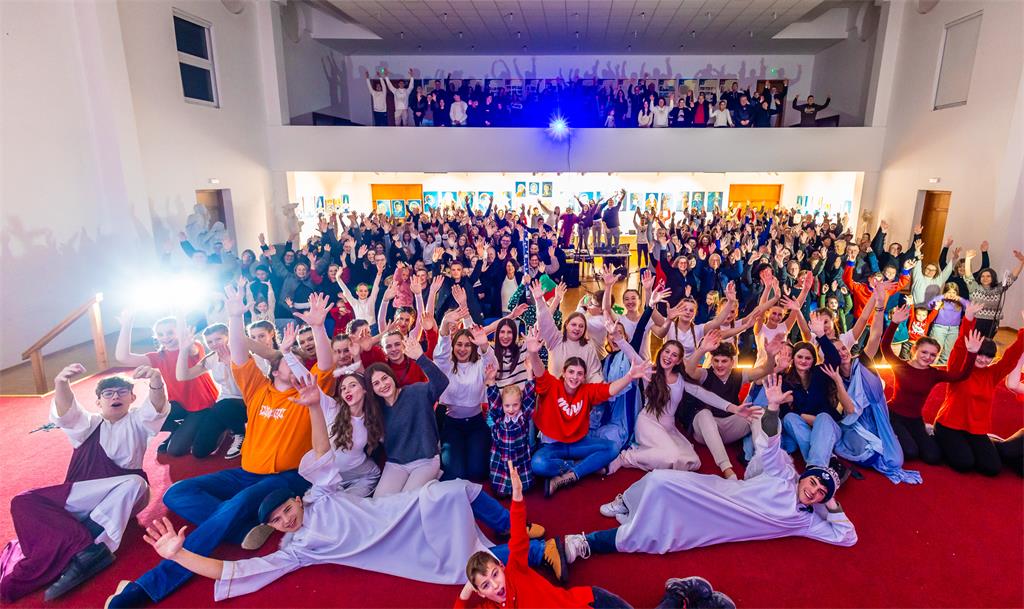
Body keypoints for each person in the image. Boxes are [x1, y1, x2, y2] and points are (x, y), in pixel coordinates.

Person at [104, 289, 334, 608]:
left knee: (232, 505)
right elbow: (238, 354)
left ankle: (144, 589)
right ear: (274, 370)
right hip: (247, 473)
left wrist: (319, 328)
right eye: (288, 363)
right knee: (176, 493)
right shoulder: (258, 390)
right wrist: (235, 317)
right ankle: (243, 529)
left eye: (300, 365)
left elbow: (325, 363)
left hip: (288, 477)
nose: (296, 368)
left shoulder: (309, 392)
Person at [135, 453, 564, 603]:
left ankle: (510, 527)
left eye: (286, 510)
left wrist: (312, 405)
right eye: (277, 521)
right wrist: (180, 555)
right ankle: (538, 550)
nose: (286, 520)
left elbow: (323, 452)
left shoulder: (320, 494)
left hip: (398, 510)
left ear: (296, 499)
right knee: (461, 562)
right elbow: (236, 571)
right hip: (395, 547)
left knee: (454, 490)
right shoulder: (297, 548)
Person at [575, 375, 856, 561]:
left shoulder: (804, 522)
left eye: (820, 492)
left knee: (662, 534)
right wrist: (771, 408)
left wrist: (830, 501)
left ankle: (595, 541)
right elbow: (771, 444)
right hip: (721, 492)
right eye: (813, 483)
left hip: (716, 526)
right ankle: (626, 501)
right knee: (660, 479)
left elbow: (847, 537)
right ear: (803, 477)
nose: (814, 491)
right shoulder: (782, 475)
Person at [0, 364, 168, 603]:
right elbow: (68, 412)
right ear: (98, 402)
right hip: (84, 497)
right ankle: (80, 544)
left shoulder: (138, 421)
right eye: (108, 393)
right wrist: (61, 383)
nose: (115, 396)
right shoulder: (88, 424)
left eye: (122, 392)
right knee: (23, 501)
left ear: (132, 398)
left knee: (136, 483)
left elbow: (156, 407)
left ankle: (89, 553)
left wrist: (156, 381)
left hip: (126, 496)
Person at [456, 462, 632, 609]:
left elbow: (518, 535)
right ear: (480, 592)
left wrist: (517, 496)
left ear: (502, 566)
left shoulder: (515, 570)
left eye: (495, 574)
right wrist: (465, 592)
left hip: (589, 601)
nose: (495, 585)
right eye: (486, 585)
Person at [526, 325, 653, 496]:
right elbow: (540, 371)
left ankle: (569, 476)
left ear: (584, 377)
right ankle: (578, 467)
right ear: (564, 373)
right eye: (571, 372)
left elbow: (610, 389)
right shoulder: (552, 385)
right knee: (538, 464)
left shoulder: (587, 391)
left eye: (579, 374)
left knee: (612, 448)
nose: (574, 377)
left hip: (578, 444)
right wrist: (533, 353)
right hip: (553, 445)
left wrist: (630, 376)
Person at [608, 338, 758, 476]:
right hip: (648, 423)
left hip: (669, 427)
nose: (668, 356)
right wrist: (618, 338)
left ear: (679, 360)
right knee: (672, 456)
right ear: (661, 352)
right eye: (667, 351)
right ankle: (626, 458)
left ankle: (651, 452)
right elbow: (632, 354)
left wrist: (734, 408)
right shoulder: (650, 371)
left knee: (693, 462)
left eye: (674, 355)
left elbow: (706, 395)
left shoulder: (681, 380)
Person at [879, 305, 979, 465]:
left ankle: (918, 434)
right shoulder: (901, 366)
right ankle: (887, 432)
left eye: (933, 355)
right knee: (910, 452)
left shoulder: (934, 374)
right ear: (914, 350)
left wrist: (972, 353)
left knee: (933, 456)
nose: (928, 357)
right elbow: (885, 347)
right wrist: (894, 323)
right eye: (924, 352)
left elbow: (961, 376)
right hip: (895, 415)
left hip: (915, 419)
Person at [933, 309, 1024, 475]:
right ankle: (936, 437)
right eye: (980, 354)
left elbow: (1011, 358)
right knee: (964, 463)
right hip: (949, 425)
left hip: (976, 429)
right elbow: (960, 346)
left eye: (988, 357)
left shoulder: (992, 374)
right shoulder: (960, 368)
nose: (983, 359)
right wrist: (968, 319)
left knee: (992, 468)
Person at [115, 312, 218, 455]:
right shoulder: (159, 356)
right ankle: (179, 428)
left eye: (170, 332)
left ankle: (213, 425)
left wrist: (179, 312)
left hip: (202, 406)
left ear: (180, 332)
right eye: (160, 334)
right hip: (179, 404)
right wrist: (126, 325)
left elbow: (187, 345)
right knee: (147, 417)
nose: (165, 337)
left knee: (175, 451)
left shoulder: (193, 347)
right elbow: (123, 357)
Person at [368, 334, 450, 496]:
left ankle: (432, 481)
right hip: (396, 464)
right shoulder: (376, 409)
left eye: (385, 378)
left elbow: (442, 382)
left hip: (425, 460)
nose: (383, 385)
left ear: (392, 377)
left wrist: (420, 358)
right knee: (380, 502)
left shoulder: (416, 391)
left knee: (406, 500)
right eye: (376, 383)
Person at [434, 315, 497, 483]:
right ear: (453, 346)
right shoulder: (446, 365)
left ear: (473, 347)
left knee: (477, 473)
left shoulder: (479, 365)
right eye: (459, 344)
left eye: (467, 345)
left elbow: (491, 365)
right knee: (456, 474)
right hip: (451, 425)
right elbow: (441, 352)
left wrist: (484, 345)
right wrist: (444, 324)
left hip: (476, 424)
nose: (462, 349)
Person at [485, 364, 537, 497]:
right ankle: (504, 487)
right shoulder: (499, 417)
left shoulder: (523, 416)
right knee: (500, 491)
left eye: (515, 405)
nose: (511, 409)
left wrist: (529, 373)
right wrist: (492, 381)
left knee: (525, 488)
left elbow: (530, 398)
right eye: (507, 405)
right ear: (502, 405)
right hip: (502, 458)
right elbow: (494, 402)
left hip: (520, 457)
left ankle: (520, 484)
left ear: (520, 404)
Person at [963, 249, 1023, 337]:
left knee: (987, 343)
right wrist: (968, 259)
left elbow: (1012, 277)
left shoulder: (998, 289)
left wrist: (1021, 262)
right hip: (976, 320)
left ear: (993, 277)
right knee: (972, 342)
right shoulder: (974, 287)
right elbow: (968, 275)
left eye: (988, 276)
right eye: (982, 276)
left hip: (992, 323)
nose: (985, 278)